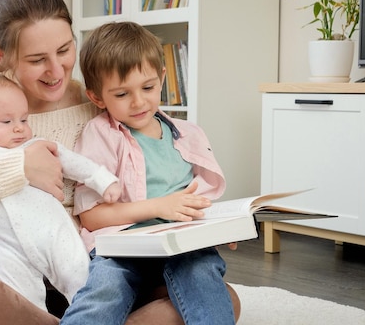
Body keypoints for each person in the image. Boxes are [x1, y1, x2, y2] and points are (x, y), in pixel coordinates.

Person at [0, 0, 240, 324]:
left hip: (84, 278)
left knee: (219, 297)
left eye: (64, 50)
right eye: (36, 59)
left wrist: (210, 226)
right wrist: (18, 167)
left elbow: (153, 172)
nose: (56, 70)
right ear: (0, 54)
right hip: (2, 281)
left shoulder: (101, 102)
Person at [60, 21, 237, 325]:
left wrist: (222, 228)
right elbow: (91, 216)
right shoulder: (100, 135)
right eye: (122, 94)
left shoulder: (187, 135)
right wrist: (157, 207)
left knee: (202, 273)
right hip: (122, 248)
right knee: (106, 286)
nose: (139, 102)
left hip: (183, 246)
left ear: (162, 79)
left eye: (148, 87)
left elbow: (199, 203)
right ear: (97, 98)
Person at [0, 73, 121, 310]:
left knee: (81, 277)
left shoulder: (35, 145)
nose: (19, 129)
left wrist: (103, 180)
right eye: (7, 122)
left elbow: (75, 163)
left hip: (53, 233)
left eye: (24, 120)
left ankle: (89, 316)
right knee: (20, 301)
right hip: (7, 248)